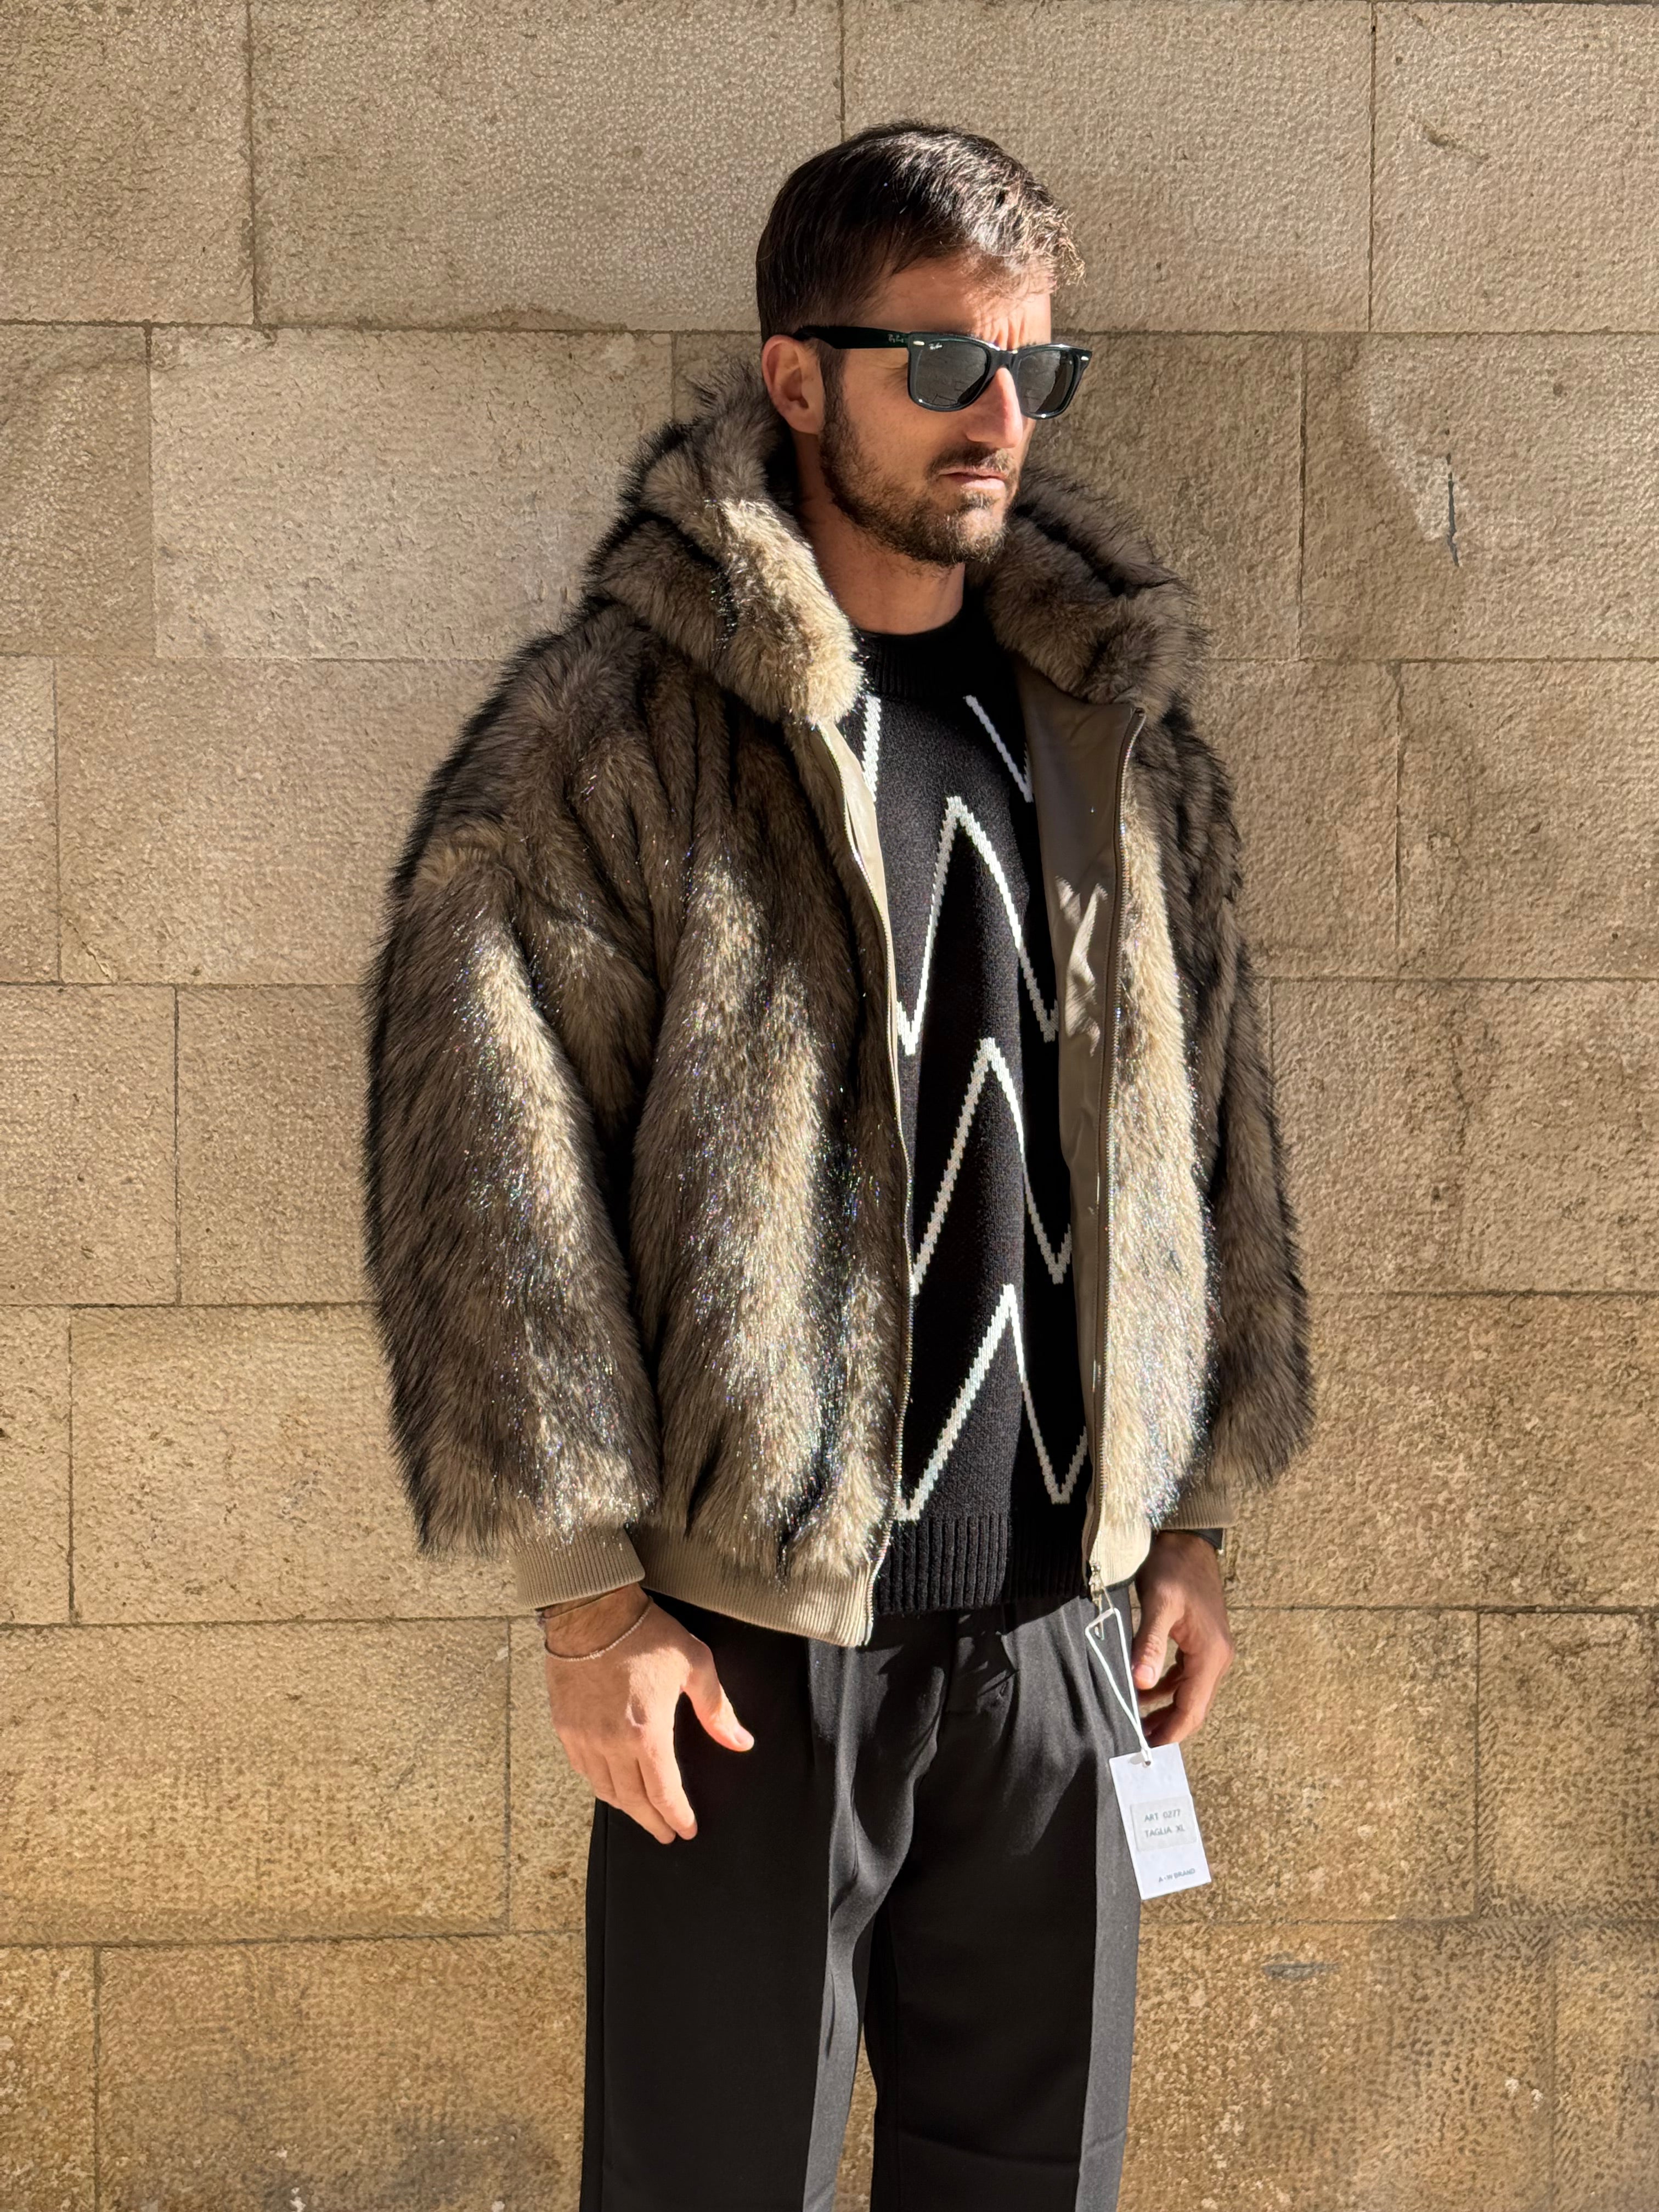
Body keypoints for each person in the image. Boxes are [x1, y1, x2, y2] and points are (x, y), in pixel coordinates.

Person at [362, 120, 1313, 2212]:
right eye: (947, 364)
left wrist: (1193, 1514)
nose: (1004, 418)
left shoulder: (1115, 733)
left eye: (1037, 369)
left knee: (1031, 2180)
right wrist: (588, 1603)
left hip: (1067, 1636)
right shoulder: (617, 738)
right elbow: (492, 1168)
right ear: (798, 377)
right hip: (748, 1660)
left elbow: (1211, 1133)